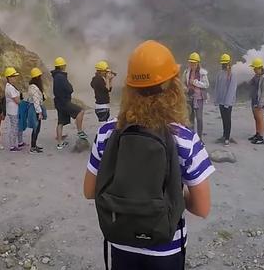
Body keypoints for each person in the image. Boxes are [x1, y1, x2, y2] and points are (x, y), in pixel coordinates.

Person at [83, 40, 213, 270]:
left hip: (121, 239)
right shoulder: (184, 138)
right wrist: (170, 195)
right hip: (166, 245)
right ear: (173, 87)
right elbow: (202, 208)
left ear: (129, 88)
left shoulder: (106, 132)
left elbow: (90, 191)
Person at [52, 57, 87, 150]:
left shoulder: (56, 76)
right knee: (80, 112)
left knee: (60, 122)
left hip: (59, 102)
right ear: (62, 66)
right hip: (64, 102)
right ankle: (80, 131)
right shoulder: (60, 77)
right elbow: (69, 89)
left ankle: (60, 143)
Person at [183, 52, 209, 141]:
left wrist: (195, 82)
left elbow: (206, 85)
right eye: (191, 63)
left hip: (199, 98)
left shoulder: (202, 73)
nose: (192, 64)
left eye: (194, 63)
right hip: (189, 97)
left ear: (198, 63)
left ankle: (200, 138)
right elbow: (183, 83)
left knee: (199, 118)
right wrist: (185, 88)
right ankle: (192, 137)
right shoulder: (186, 72)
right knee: (190, 118)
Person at [214, 53, 238, 146]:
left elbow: (232, 89)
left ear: (229, 63)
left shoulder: (233, 74)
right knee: (223, 119)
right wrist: (216, 99)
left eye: (225, 63)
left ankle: (227, 138)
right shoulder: (219, 73)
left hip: (228, 102)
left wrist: (227, 103)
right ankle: (224, 135)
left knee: (228, 119)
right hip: (221, 101)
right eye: (223, 63)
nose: (224, 65)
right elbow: (216, 87)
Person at [248, 58, 264, 144]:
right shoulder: (256, 77)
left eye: (255, 68)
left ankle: (261, 137)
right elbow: (250, 84)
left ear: (259, 68)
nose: (254, 69)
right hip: (254, 100)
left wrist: (261, 103)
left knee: (260, 119)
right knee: (256, 118)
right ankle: (257, 134)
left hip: (259, 102)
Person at [4, 67, 24, 152]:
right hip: (13, 111)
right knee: (14, 127)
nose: (15, 78)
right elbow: (17, 100)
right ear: (9, 77)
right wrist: (24, 103)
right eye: (13, 76)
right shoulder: (10, 88)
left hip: (14, 110)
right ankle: (12, 146)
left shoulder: (11, 86)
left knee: (18, 127)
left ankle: (20, 142)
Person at [27, 67, 46, 153]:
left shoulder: (32, 86)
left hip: (34, 108)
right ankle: (33, 147)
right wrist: (39, 112)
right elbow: (36, 101)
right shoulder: (34, 88)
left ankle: (34, 145)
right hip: (35, 109)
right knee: (36, 128)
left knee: (36, 128)